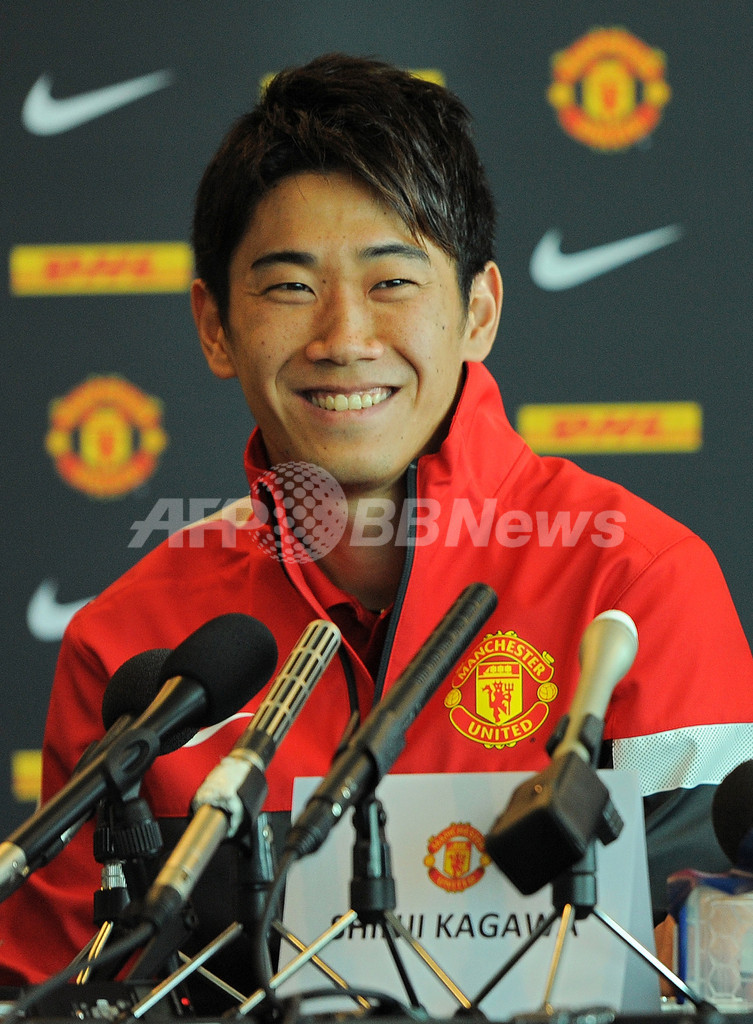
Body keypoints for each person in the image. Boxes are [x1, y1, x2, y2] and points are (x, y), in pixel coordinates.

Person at [1, 52, 751, 1004]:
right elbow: (57, 986)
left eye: (392, 281)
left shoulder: (636, 584)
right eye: (288, 287)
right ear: (214, 325)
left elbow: (720, 956)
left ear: (477, 311)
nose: (344, 338)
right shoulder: (132, 644)